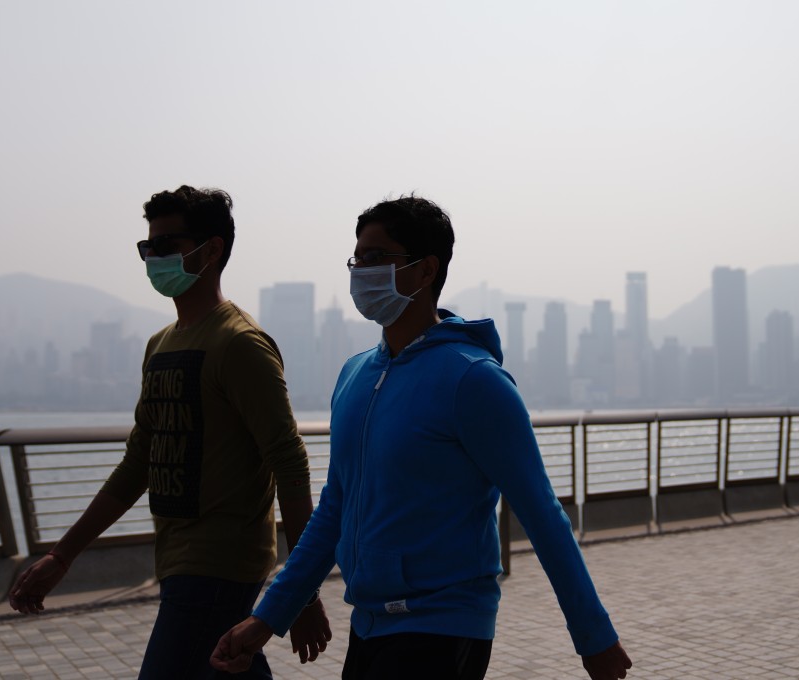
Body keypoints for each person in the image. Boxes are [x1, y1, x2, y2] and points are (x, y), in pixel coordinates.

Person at [210, 195, 632, 679]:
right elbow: (335, 509)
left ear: (426, 270)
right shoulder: (353, 376)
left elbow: (541, 513)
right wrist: (268, 617)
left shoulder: (474, 381)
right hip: (368, 626)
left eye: (377, 258)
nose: (361, 271)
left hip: (444, 630)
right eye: (357, 259)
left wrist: (593, 636)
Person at [8, 185, 332, 678]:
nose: (154, 258)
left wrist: (302, 594)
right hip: (177, 561)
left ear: (212, 250)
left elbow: (288, 462)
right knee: (232, 666)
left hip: (220, 567)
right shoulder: (160, 345)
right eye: (148, 247)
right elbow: (138, 463)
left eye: (168, 246)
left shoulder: (240, 344)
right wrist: (61, 555)